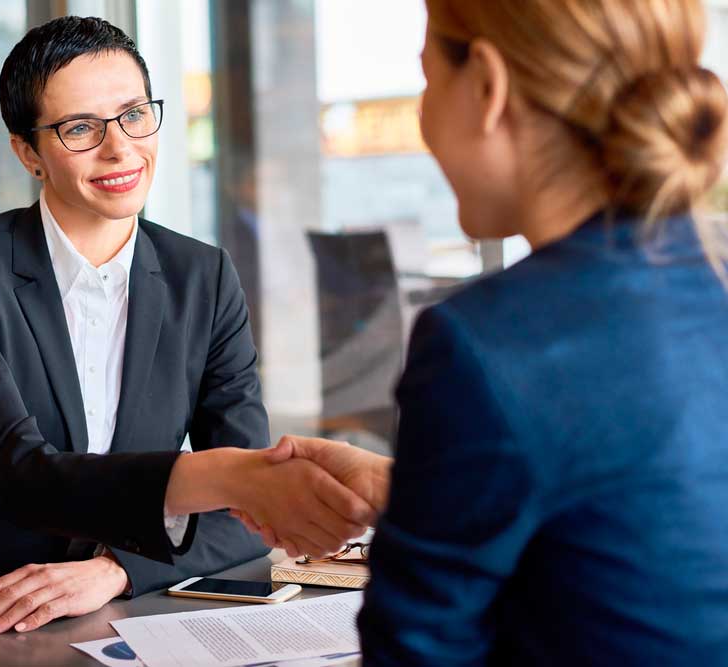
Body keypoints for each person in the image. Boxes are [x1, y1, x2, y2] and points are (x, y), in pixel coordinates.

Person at [0, 15, 374, 636]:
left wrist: (117, 569)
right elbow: (18, 474)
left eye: (134, 115)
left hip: (109, 612)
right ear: (28, 152)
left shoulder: (204, 275)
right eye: (79, 128)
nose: (120, 149)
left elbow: (242, 515)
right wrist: (236, 477)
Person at [244, 0, 728, 663]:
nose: (422, 118)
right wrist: (413, 489)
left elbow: (416, 653)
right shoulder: (706, 283)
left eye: (427, 79)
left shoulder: (483, 345)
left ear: (487, 87)